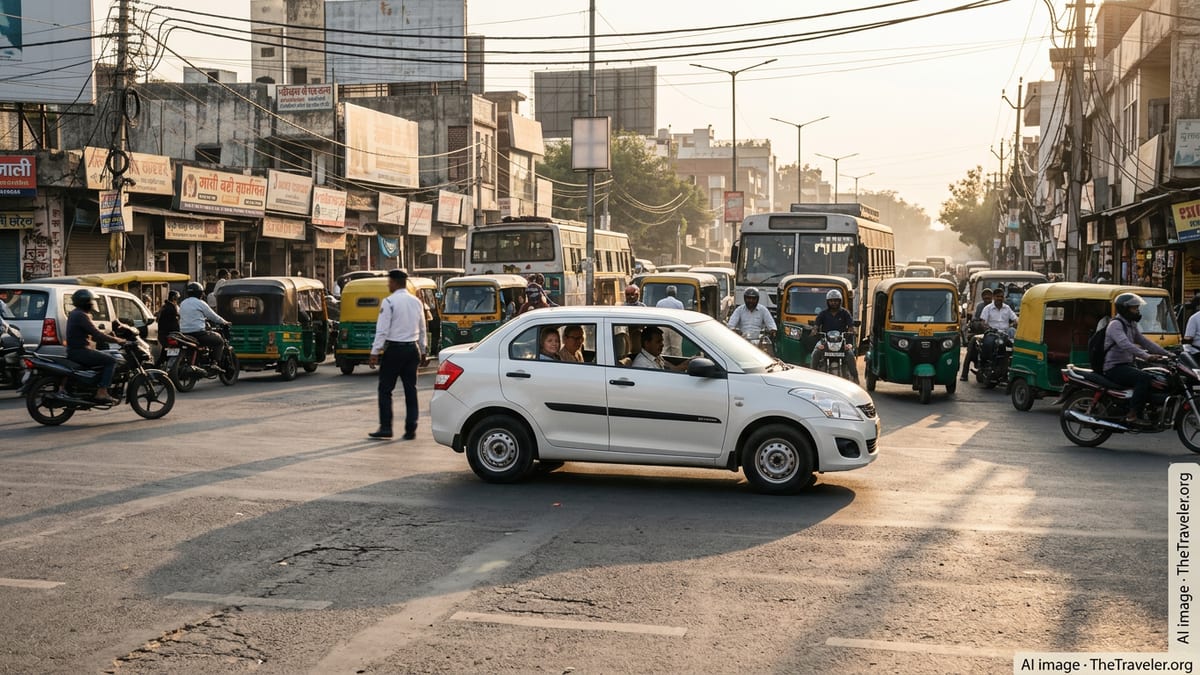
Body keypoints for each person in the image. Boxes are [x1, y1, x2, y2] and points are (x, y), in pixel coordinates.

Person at [368, 269, 429, 440]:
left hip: (394, 350)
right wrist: (423, 350)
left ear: (395, 282)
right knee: (411, 390)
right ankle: (411, 429)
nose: (388, 284)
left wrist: (375, 351)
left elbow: (382, 330)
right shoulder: (417, 302)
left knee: (385, 389)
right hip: (412, 350)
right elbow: (423, 328)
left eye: (389, 281)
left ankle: (386, 427)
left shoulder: (389, 302)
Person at [1104, 293, 1171, 423]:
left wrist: (1167, 353)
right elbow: (1126, 345)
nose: (1137, 311)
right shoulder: (1116, 325)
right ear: (1125, 309)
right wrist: (1147, 356)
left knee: (1154, 376)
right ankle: (1133, 413)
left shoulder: (1131, 325)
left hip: (1127, 365)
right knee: (1143, 377)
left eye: (1137, 308)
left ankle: (1151, 409)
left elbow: (1145, 342)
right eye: (1134, 308)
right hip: (1114, 367)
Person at [64, 289, 127, 404]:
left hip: (76, 350)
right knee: (111, 361)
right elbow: (96, 334)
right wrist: (117, 340)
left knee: (109, 354)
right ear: (86, 302)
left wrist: (108, 335)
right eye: (91, 301)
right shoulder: (81, 315)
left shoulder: (75, 313)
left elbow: (92, 333)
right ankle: (102, 392)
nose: (93, 304)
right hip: (81, 351)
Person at [962, 289, 1016, 380]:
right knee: (981, 344)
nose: (999, 298)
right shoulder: (984, 307)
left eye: (1001, 296)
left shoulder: (1007, 308)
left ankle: (1010, 369)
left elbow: (1015, 319)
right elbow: (981, 322)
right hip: (991, 333)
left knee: (1014, 346)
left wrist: (1014, 324)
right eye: (997, 296)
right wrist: (987, 329)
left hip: (1004, 334)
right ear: (994, 297)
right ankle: (980, 366)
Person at [810, 289, 859, 383]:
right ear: (828, 302)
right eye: (831, 301)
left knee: (850, 354)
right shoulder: (823, 314)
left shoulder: (845, 313)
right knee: (816, 352)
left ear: (840, 301)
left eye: (836, 301)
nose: (834, 303)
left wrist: (852, 331)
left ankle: (855, 377)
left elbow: (851, 326)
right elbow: (816, 325)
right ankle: (813, 375)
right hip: (825, 341)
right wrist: (814, 330)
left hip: (842, 341)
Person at [179, 282, 231, 369]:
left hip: (184, 334)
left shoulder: (183, 303)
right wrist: (224, 322)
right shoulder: (200, 303)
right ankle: (214, 363)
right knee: (219, 341)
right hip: (198, 334)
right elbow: (213, 316)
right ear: (199, 293)